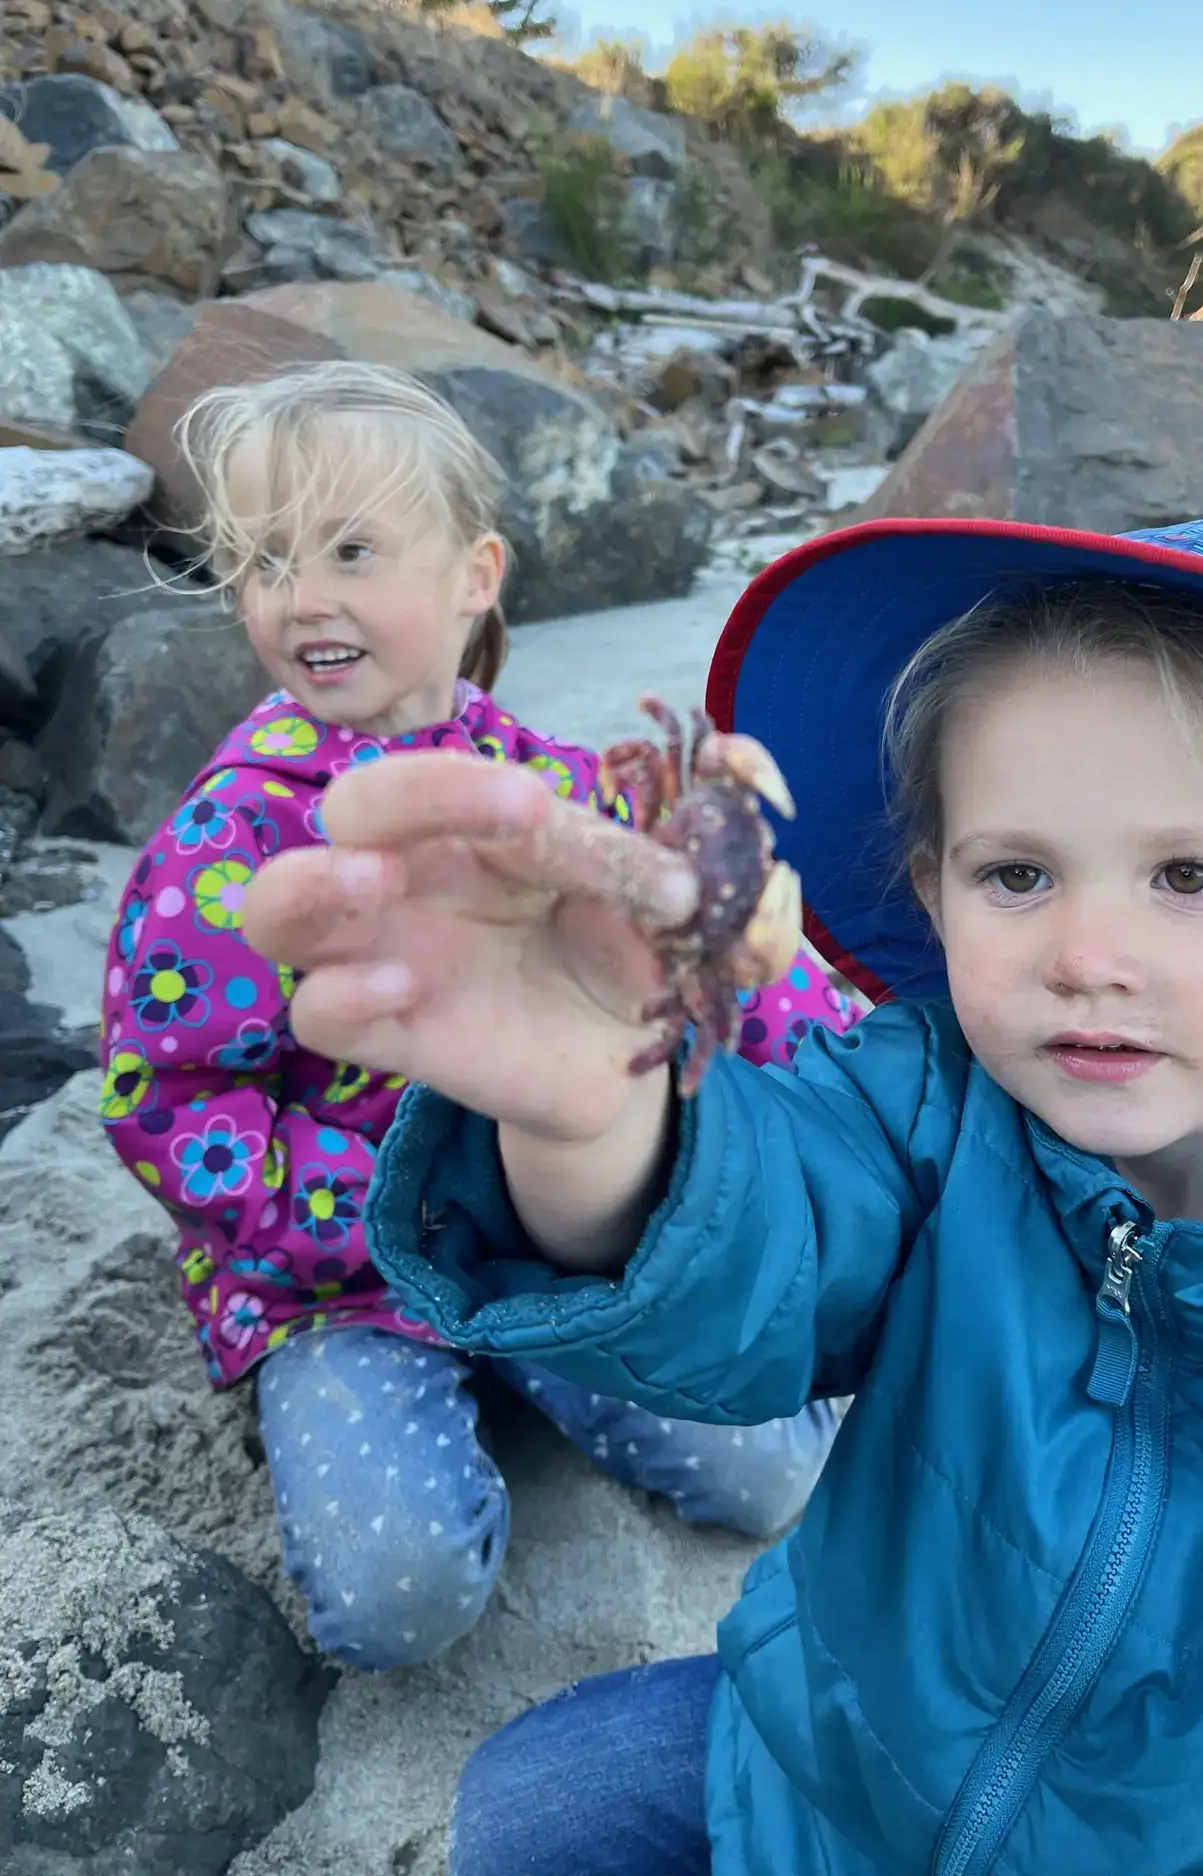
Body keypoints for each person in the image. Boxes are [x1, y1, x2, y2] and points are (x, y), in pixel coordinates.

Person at [241, 507, 1203, 1876]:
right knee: (535, 1800)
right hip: (841, 1777)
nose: (1088, 951)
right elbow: (755, 1249)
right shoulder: (928, 1104)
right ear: (933, 893)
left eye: (1189, 875)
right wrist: (594, 1118)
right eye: (1019, 873)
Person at [98, 359, 857, 1675]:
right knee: (399, 1599)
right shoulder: (225, 842)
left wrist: (815, 1031)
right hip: (339, 1282)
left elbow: (695, 946)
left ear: (475, 573)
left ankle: (585, 1363)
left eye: (352, 550)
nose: (306, 595)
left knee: (768, 1480)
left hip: (567, 1237)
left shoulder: (560, 790)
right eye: (268, 560)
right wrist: (380, 1227)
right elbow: (172, 1100)